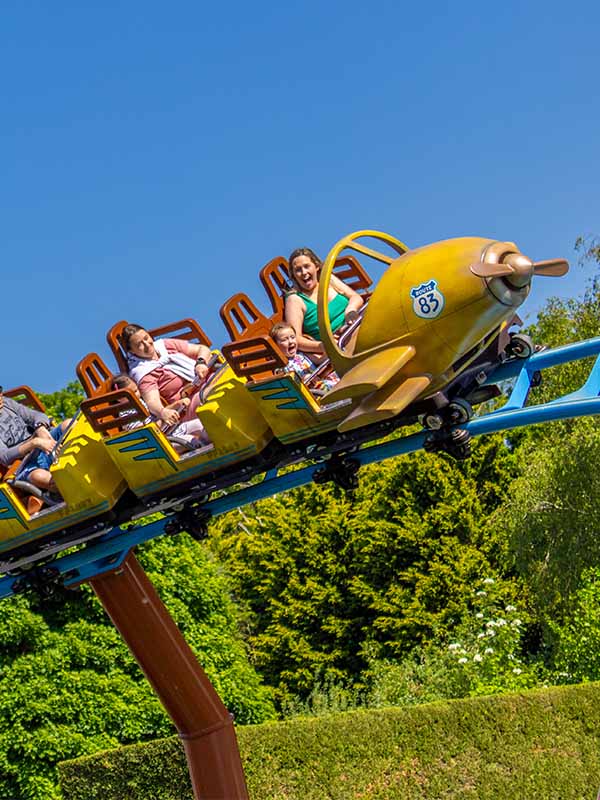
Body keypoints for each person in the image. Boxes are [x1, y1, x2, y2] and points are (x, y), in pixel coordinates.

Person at [121, 323, 212, 427]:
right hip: (187, 403)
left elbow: (202, 349)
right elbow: (152, 401)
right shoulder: (142, 372)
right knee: (216, 390)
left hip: (207, 379)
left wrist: (201, 362)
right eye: (139, 344)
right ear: (132, 351)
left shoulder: (164, 345)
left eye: (146, 338)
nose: (147, 344)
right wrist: (162, 412)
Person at [284, 247, 364, 360]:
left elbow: (355, 297)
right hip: (339, 344)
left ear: (316, 266)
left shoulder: (328, 280)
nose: (303, 273)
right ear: (294, 275)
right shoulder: (294, 299)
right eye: (298, 270)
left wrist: (350, 311)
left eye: (307, 266)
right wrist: (325, 346)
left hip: (356, 324)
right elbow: (296, 338)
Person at [0, 385, 70, 493]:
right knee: (39, 476)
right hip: (26, 462)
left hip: (45, 442)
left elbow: (36, 415)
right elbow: (5, 457)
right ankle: (73, 492)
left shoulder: (7, 403)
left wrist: (40, 427)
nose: (0, 396)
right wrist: (35, 443)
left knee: (69, 424)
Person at [111, 374, 208, 449]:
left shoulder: (141, 401)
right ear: (119, 398)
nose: (136, 395)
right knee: (192, 441)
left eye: (136, 391)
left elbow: (161, 413)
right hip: (161, 442)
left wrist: (177, 404)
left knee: (203, 425)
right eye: (131, 394)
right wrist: (162, 420)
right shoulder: (125, 414)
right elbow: (142, 433)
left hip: (172, 430)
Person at [271, 323, 339, 394]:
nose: (291, 341)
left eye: (292, 337)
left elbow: (319, 361)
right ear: (275, 345)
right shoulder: (280, 365)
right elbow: (289, 385)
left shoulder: (301, 353)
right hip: (309, 391)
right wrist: (302, 380)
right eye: (284, 340)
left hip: (321, 380)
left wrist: (329, 350)